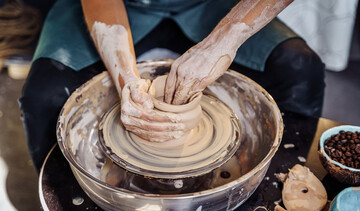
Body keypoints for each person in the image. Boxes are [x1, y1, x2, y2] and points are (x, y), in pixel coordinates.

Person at [19, 0, 325, 171]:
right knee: (44, 95)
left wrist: (226, 38)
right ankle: (76, 206)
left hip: (212, 6)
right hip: (119, 7)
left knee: (300, 68)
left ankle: (280, 186)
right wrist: (126, 79)